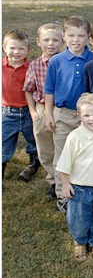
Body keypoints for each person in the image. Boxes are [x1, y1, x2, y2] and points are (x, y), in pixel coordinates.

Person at [44, 16, 93, 213]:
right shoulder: (57, 60)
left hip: (87, 117)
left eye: (81, 36)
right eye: (71, 35)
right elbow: (49, 90)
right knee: (62, 155)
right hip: (63, 114)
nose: (76, 40)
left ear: (88, 38)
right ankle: (62, 195)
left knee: (86, 155)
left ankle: (85, 191)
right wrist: (48, 114)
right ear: (64, 36)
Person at [56, 93, 93, 262]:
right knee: (79, 219)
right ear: (79, 116)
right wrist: (65, 184)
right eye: (86, 115)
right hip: (80, 188)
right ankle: (80, 241)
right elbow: (65, 164)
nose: (92, 119)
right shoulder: (75, 137)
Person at [23, 23, 64, 195]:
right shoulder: (35, 65)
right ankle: (53, 180)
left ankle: (64, 179)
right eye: (46, 40)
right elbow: (28, 90)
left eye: (55, 40)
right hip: (41, 107)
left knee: (62, 146)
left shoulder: (66, 62)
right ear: (38, 42)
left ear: (63, 42)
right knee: (45, 146)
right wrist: (33, 111)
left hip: (61, 108)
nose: (51, 44)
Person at [2, 30, 37, 180]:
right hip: (7, 112)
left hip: (28, 111)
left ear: (28, 50)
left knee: (33, 140)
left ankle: (33, 165)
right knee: (4, 141)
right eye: (12, 48)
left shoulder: (31, 68)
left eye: (21, 49)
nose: (16, 52)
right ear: (4, 48)